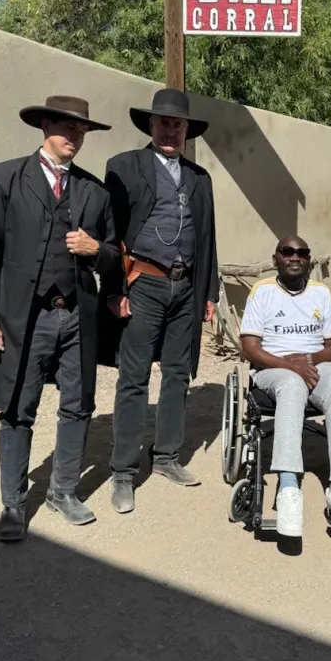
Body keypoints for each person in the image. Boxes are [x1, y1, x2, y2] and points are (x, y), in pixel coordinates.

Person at [0, 95, 120, 542]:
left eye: (81, 131)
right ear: (45, 127)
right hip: (23, 317)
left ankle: (63, 491)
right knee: (18, 408)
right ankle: (14, 504)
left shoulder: (95, 190)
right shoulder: (7, 177)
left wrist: (98, 251)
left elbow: (115, 252)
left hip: (76, 315)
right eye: (66, 128)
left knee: (78, 403)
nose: (74, 137)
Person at [103, 88, 218, 514]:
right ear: (150, 126)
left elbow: (207, 238)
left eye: (178, 123)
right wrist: (115, 290)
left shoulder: (199, 178)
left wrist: (209, 292)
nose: (171, 129)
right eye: (164, 122)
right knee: (133, 379)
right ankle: (123, 471)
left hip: (186, 288)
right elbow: (109, 231)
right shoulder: (124, 167)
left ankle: (167, 455)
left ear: (187, 130)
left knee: (177, 375)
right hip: (143, 285)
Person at [239, 238, 331, 538]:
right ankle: (288, 486)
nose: (295, 257)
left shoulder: (320, 293)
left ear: (309, 260)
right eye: (288, 252)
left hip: (313, 365)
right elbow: (249, 347)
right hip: (272, 369)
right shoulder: (263, 292)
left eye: (302, 253)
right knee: (292, 385)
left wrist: (308, 359)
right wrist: (291, 366)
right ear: (276, 259)